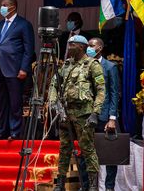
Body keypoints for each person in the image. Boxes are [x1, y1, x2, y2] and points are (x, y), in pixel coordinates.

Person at [48, 35, 105, 191]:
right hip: (65, 114)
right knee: (64, 148)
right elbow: (54, 84)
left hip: (84, 115)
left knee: (87, 149)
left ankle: (93, 185)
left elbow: (101, 90)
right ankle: (60, 183)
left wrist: (96, 112)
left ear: (81, 46)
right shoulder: (66, 65)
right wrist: (54, 103)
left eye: (71, 45)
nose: (68, 48)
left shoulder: (92, 65)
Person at [0, 0, 35, 140]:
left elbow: (29, 49)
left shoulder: (23, 24)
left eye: (4, 5)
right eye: (1, 5)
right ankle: (2, 131)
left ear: (13, 7)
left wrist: (24, 68)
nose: (1, 7)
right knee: (0, 102)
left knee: (15, 102)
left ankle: (15, 132)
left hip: (15, 69)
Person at [79, 37, 120, 191]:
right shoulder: (83, 65)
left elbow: (114, 93)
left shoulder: (110, 67)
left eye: (91, 45)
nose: (88, 48)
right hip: (86, 116)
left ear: (100, 48)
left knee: (110, 156)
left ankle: (109, 187)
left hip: (104, 117)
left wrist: (112, 118)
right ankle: (87, 186)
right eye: (87, 45)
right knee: (85, 154)